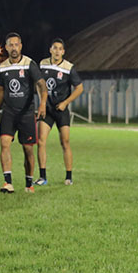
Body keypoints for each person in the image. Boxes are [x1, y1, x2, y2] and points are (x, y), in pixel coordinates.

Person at [0, 32, 48, 193]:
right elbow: (0, 90)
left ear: (21, 46)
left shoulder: (29, 64)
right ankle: (8, 182)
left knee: (28, 150)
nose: (13, 48)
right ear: (6, 47)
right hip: (9, 112)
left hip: (27, 114)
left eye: (16, 44)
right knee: (4, 144)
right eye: (10, 45)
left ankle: (29, 183)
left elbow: (41, 85)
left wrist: (42, 105)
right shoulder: (2, 67)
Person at [35, 38, 83, 186]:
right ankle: (42, 177)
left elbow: (79, 88)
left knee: (65, 142)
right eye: (54, 48)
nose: (57, 51)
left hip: (61, 110)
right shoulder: (42, 64)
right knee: (41, 141)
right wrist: (42, 102)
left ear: (63, 52)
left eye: (60, 49)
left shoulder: (68, 68)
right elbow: (39, 84)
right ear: (50, 50)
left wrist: (65, 103)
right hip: (47, 110)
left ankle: (68, 177)